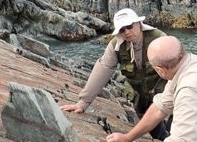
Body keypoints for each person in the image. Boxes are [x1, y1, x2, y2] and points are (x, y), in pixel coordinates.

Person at [59, 8, 170, 140]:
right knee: (156, 132)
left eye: (129, 26)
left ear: (139, 24)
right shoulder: (115, 46)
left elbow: (178, 67)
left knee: (178, 130)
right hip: (141, 98)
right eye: (122, 30)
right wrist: (83, 103)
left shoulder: (160, 39)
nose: (127, 32)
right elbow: (103, 69)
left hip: (166, 94)